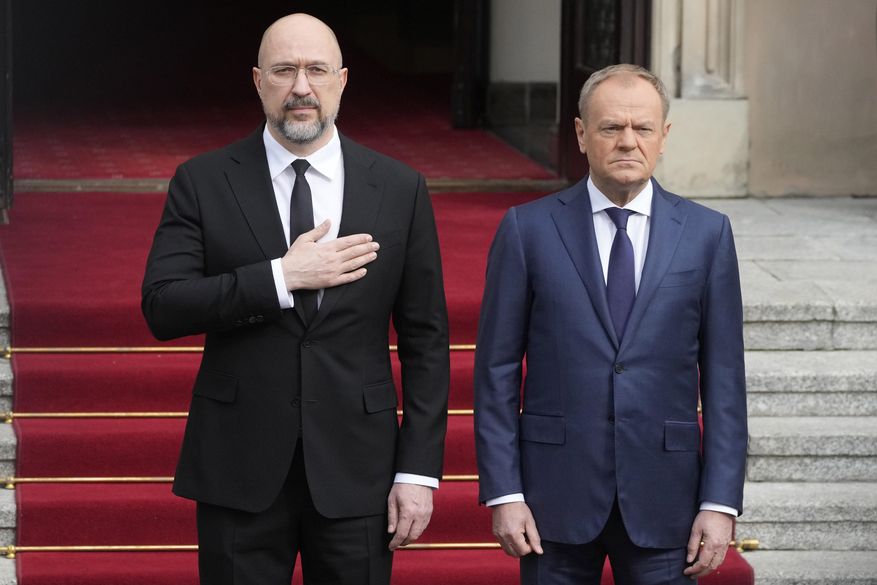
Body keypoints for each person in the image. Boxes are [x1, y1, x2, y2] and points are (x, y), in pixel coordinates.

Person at [142, 13, 449, 585]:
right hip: (239, 467)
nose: (301, 87)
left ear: (343, 80)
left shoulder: (400, 187)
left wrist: (418, 472)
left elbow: (426, 341)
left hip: (360, 470)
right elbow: (163, 305)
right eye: (284, 71)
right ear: (258, 81)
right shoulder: (204, 180)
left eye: (316, 70)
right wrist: (280, 278)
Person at [473, 63, 747, 585]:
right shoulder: (527, 230)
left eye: (642, 128)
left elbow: (725, 381)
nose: (627, 142)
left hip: (668, 504)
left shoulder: (708, 235)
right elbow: (496, 370)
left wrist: (720, 501)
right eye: (610, 128)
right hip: (552, 501)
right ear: (581, 134)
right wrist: (505, 493)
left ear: (664, 136)